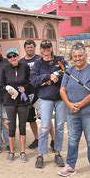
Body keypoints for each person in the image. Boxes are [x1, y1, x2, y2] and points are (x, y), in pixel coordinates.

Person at [59, 43, 90, 178]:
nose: (77, 58)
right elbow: (62, 89)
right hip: (72, 112)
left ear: (85, 55)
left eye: (80, 56)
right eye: (75, 56)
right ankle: (70, 166)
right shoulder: (69, 71)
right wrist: (69, 104)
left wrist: (80, 104)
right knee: (72, 139)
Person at [30, 39, 68, 169]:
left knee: (59, 127)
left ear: (51, 48)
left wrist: (57, 78)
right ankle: (41, 154)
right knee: (45, 127)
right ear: (40, 50)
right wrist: (47, 77)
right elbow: (33, 80)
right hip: (45, 99)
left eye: (48, 47)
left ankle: (57, 153)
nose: (46, 50)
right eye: (44, 48)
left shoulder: (60, 60)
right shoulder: (37, 64)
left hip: (60, 99)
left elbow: (67, 72)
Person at [21, 40, 57, 151]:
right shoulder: (22, 61)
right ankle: (37, 138)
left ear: (36, 48)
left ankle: (53, 139)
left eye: (31, 47)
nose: (29, 49)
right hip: (28, 93)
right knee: (31, 118)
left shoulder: (40, 60)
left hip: (40, 92)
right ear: (25, 48)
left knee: (45, 118)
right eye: (27, 47)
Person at [1, 48, 33, 163]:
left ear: (18, 56)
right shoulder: (5, 69)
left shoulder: (25, 67)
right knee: (11, 126)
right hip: (10, 101)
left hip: (23, 101)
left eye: (14, 56)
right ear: (8, 59)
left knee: (22, 126)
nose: (12, 58)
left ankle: (23, 152)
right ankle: (11, 152)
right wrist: (7, 88)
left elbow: (30, 82)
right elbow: (2, 84)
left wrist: (25, 88)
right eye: (9, 57)